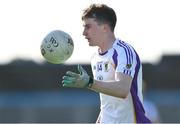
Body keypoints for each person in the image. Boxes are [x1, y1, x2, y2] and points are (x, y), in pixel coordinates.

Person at [62, 3, 151, 123]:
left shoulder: (123, 51)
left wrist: (89, 82)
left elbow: (122, 89)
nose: (84, 33)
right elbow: (107, 103)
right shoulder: (95, 58)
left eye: (88, 26)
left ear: (104, 27)